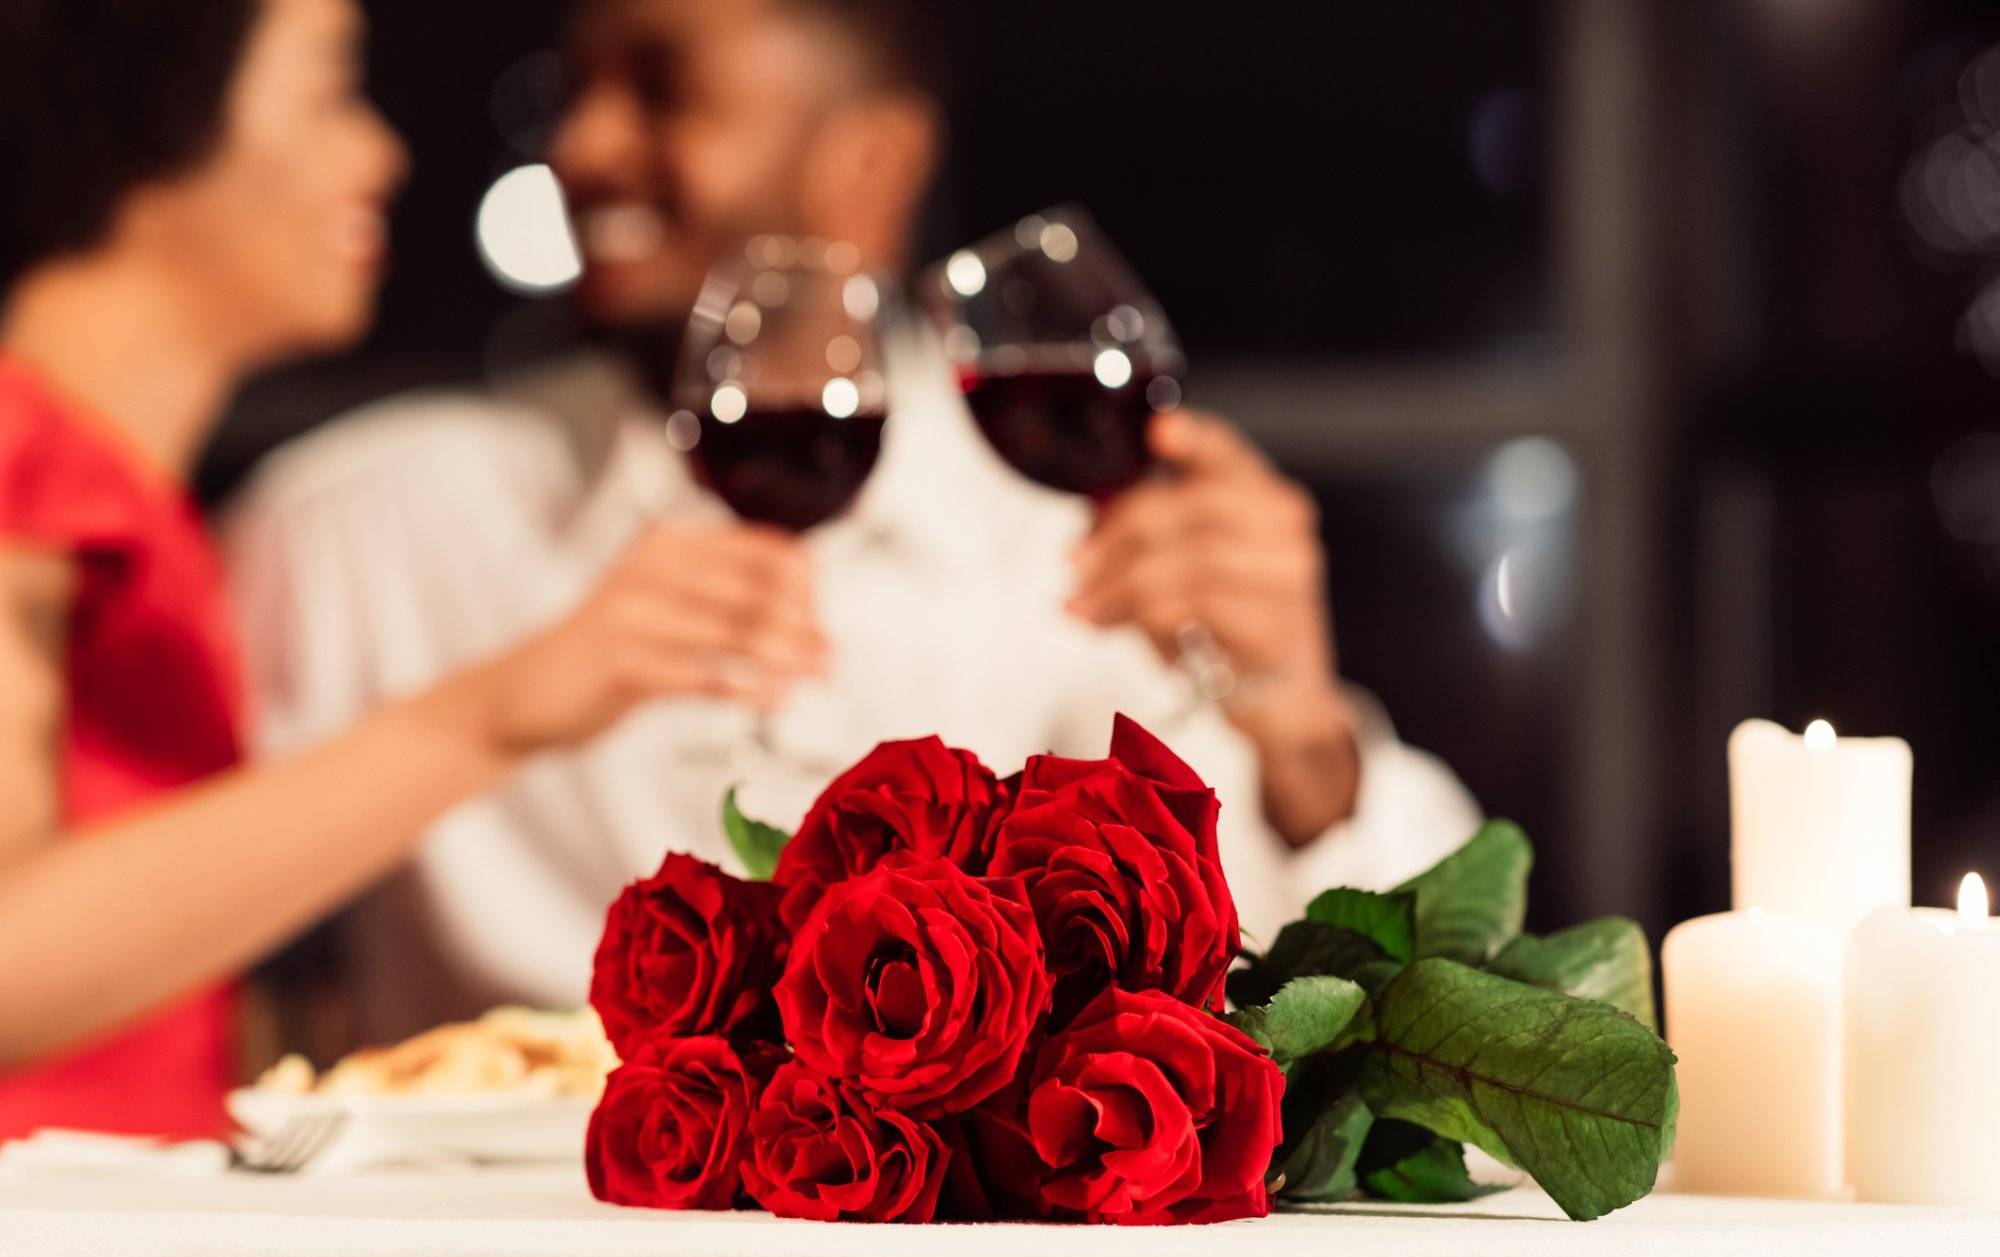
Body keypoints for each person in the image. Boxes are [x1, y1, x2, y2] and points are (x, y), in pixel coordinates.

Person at [227, 0, 1481, 1043]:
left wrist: (1303, 744)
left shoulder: (1070, 551)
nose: (584, 146)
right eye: (577, 87)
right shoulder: (370, 524)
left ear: (870, 163)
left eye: (662, 90)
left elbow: (1414, 1012)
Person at [0, 0, 799, 1138]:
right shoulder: (21, 461)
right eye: (330, 90)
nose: (381, 152)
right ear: (144, 111)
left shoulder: (128, 497)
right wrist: (490, 717)